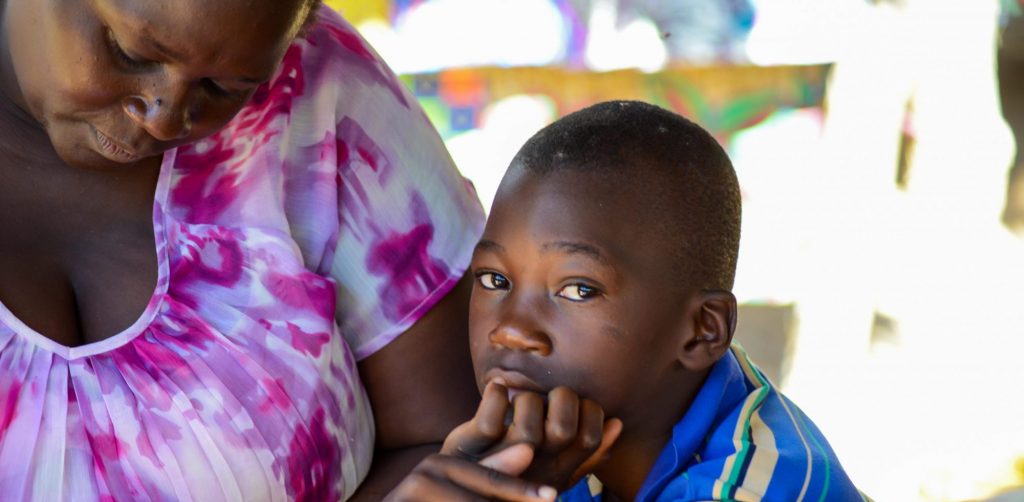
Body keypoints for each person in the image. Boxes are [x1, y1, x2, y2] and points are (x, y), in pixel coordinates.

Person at [0, 0, 526, 499]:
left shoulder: (312, 84)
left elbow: (452, 440)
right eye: (131, 53)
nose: (163, 118)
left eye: (225, 87)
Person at [391, 101, 867, 501]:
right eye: (495, 279)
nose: (511, 328)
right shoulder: (615, 416)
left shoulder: (749, 487)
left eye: (579, 289)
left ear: (704, 330)